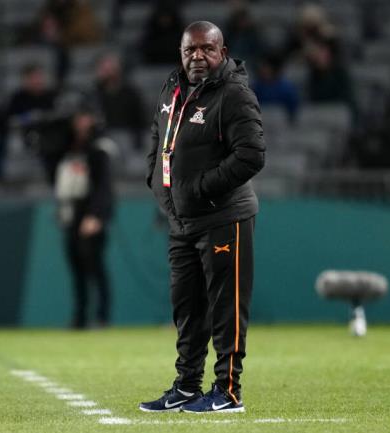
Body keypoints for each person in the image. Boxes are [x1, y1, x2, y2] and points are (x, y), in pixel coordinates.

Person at [140, 21, 265, 414]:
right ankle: (187, 386)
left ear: (221, 53)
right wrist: (159, 185)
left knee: (225, 306)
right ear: (180, 53)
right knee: (187, 308)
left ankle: (228, 390)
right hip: (182, 222)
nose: (197, 56)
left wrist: (197, 189)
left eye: (206, 49)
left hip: (224, 218)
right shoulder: (171, 89)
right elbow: (159, 143)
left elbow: (251, 156)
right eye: (190, 50)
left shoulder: (235, 95)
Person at [53, 104, 114, 329]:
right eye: (77, 118)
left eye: (84, 118)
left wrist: (96, 215)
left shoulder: (98, 148)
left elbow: (104, 187)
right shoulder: (67, 147)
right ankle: (80, 316)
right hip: (72, 211)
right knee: (76, 268)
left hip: (90, 211)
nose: (80, 123)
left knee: (95, 266)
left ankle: (102, 316)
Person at [93, 52, 148, 147]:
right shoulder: (95, 94)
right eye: (104, 69)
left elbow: (139, 120)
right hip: (103, 135)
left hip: (127, 135)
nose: (108, 72)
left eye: (110, 69)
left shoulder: (130, 93)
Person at [252, 53, 300, 123]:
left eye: (266, 67)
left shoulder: (287, 89)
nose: (263, 69)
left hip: (283, 125)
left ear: (274, 69)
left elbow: (293, 111)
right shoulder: (257, 86)